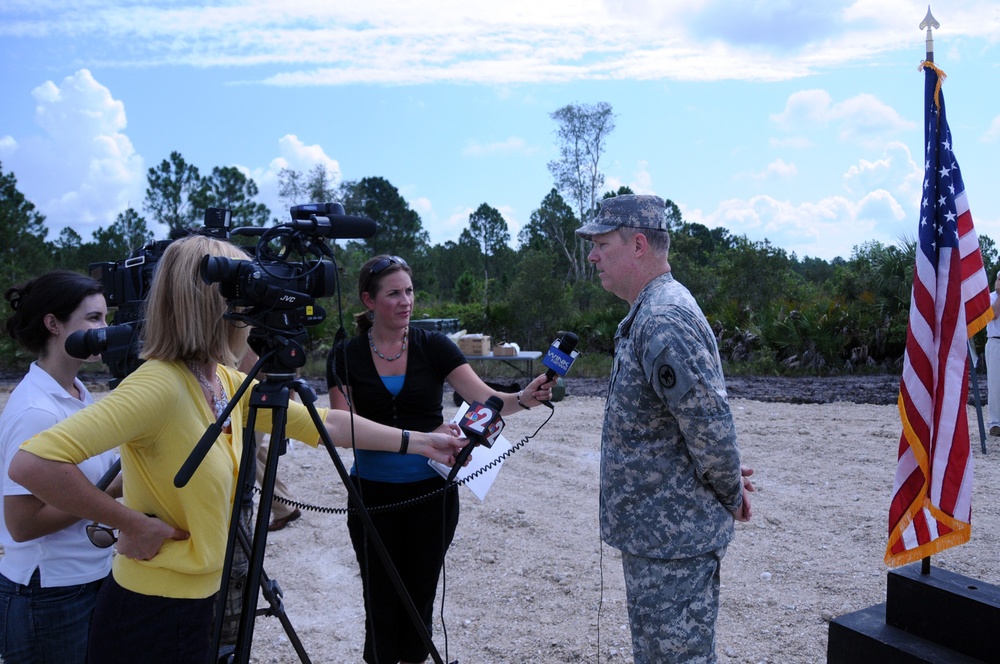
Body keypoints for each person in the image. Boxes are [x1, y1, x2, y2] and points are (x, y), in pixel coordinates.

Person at [8, 235, 466, 664]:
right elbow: (32, 463)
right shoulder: (159, 384)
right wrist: (129, 523)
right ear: (213, 303)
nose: (256, 308)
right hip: (152, 611)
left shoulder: (221, 379)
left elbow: (320, 422)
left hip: (197, 601)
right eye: (248, 295)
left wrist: (420, 441)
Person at [327, 254, 553, 664]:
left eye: (409, 291)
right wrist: (417, 438)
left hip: (432, 496)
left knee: (419, 599)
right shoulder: (345, 355)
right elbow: (344, 429)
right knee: (379, 601)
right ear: (368, 300)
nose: (405, 301)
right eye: (393, 293)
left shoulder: (434, 346)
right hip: (371, 497)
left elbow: (485, 399)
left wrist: (524, 398)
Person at [575, 194, 754, 664]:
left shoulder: (663, 317)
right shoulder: (650, 311)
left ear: (637, 244)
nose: (593, 255)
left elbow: (710, 427)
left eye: (601, 243)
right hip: (661, 539)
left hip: (673, 544)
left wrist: (732, 491)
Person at [0, 270, 119, 663]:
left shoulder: (78, 395)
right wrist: (106, 493)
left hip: (85, 579)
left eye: (105, 318)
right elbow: (21, 524)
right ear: (53, 324)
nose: (105, 328)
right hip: (47, 591)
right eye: (93, 318)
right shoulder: (36, 410)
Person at [986, 271, 1000, 436]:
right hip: (996, 341)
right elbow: (993, 315)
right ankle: (995, 423)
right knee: (995, 384)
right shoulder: (989, 298)